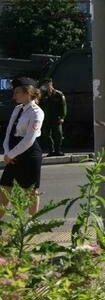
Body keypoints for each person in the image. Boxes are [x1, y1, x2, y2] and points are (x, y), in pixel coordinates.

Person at [1, 77, 46, 218]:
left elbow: (29, 139)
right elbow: (9, 131)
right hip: (13, 152)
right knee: (4, 188)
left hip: (29, 154)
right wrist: (7, 152)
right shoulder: (17, 109)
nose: (14, 96)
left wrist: (11, 154)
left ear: (28, 92)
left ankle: (31, 224)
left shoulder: (36, 112)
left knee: (31, 191)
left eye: (17, 92)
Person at [38, 78, 67, 157]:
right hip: (46, 118)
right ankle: (51, 150)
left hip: (56, 118)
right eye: (45, 85)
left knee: (58, 134)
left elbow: (63, 106)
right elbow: (40, 107)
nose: (47, 86)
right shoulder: (43, 95)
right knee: (46, 135)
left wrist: (62, 117)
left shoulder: (58, 94)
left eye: (48, 84)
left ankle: (58, 150)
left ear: (51, 84)